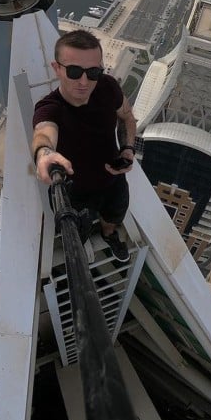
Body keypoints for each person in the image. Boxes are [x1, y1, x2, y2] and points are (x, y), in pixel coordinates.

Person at [31, 30, 137, 262]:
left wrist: (128, 149)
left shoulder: (108, 87)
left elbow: (127, 117)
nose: (84, 81)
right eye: (74, 71)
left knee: (114, 217)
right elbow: (44, 132)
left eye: (93, 72)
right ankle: (82, 239)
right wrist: (44, 153)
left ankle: (109, 235)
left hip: (112, 179)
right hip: (74, 190)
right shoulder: (50, 108)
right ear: (57, 68)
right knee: (77, 230)